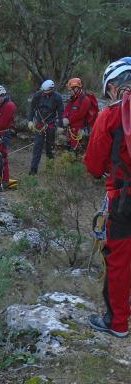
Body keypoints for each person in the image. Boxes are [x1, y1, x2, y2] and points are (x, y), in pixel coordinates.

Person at [84, 57, 131, 338]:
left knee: (119, 257)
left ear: (113, 87)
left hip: (123, 199)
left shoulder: (111, 115)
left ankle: (117, 323)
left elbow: (93, 165)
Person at [28, 79, 64, 175]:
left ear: (52, 89)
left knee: (50, 147)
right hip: (39, 124)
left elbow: (60, 112)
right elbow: (32, 109)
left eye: (47, 91)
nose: (44, 93)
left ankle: (50, 169)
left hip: (51, 124)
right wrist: (30, 121)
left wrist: (60, 125)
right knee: (37, 146)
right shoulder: (37, 96)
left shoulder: (57, 97)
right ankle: (33, 169)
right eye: (43, 91)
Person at [63, 78, 91, 153]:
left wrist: (68, 120)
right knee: (69, 146)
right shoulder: (73, 99)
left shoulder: (85, 100)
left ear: (76, 88)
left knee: (75, 148)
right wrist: (64, 117)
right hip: (71, 128)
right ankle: (68, 160)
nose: (70, 92)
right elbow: (67, 109)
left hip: (79, 128)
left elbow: (80, 114)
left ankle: (74, 160)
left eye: (71, 90)